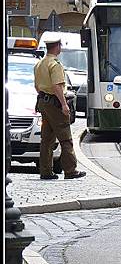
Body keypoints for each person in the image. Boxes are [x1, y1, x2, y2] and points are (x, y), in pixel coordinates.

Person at [34, 33, 86, 180]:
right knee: (65, 137)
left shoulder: (39, 64)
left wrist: (45, 98)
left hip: (43, 102)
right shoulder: (55, 65)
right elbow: (57, 87)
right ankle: (70, 170)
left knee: (47, 139)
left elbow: (37, 86)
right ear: (57, 47)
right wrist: (64, 105)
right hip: (55, 104)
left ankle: (45, 171)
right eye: (60, 45)